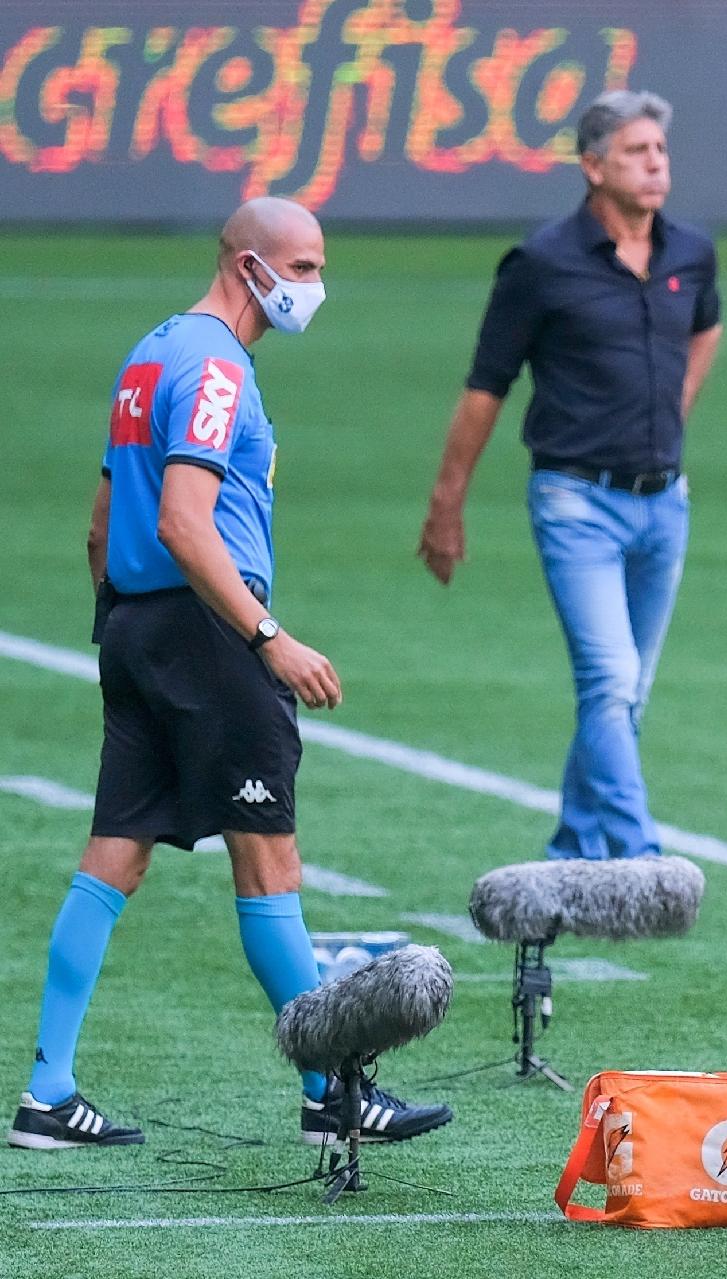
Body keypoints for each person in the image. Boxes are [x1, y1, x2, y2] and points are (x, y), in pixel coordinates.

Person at [8, 198, 452, 1152]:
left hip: (136, 627)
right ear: (248, 266)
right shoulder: (214, 367)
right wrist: (266, 638)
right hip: (211, 634)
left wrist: (121, 634)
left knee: (113, 857)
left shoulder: (149, 353)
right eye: (301, 269)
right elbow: (182, 518)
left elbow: (102, 519)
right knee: (268, 858)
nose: (313, 288)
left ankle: (46, 1090)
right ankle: (331, 1090)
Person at [417, 89, 722, 862]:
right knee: (610, 681)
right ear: (592, 167)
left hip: (666, 505)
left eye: (660, 152)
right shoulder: (540, 264)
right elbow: (486, 387)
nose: (656, 165)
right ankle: (638, 853)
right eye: (636, 152)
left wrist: (675, 406)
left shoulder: (690, 252)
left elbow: (707, 327)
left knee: (627, 695)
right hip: (575, 501)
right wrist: (447, 503)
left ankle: (572, 849)